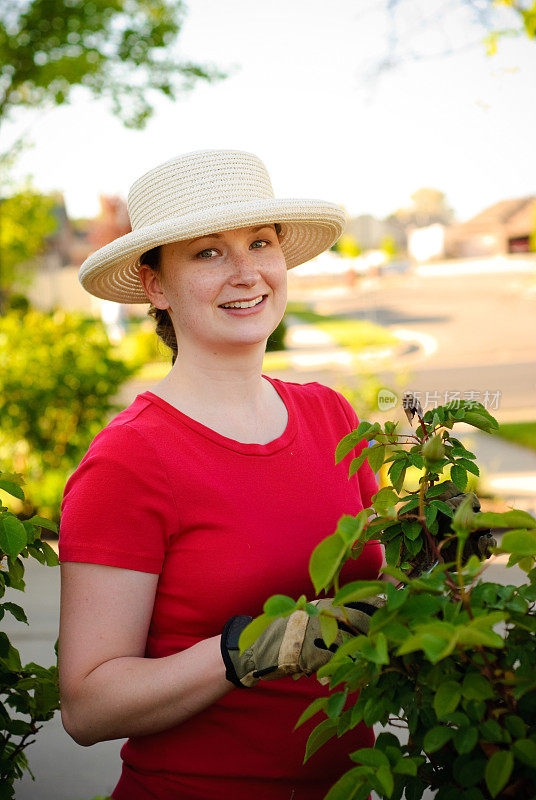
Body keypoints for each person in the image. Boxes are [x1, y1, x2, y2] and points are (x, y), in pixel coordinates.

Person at [58, 149, 384, 800]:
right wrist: (256, 648)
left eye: (259, 243)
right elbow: (88, 706)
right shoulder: (131, 459)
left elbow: (384, 601)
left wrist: (440, 556)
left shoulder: (331, 415)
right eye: (208, 253)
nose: (246, 273)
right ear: (155, 285)